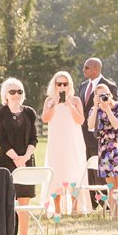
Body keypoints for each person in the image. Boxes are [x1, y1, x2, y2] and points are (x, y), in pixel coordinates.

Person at [42, 70, 91, 215]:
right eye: (59, 84)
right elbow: (45, 119)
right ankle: (57, 208)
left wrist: (70, 106)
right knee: (57, 171)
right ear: (55, 85)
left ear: (69, 85)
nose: (62, 86)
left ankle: (75, 207)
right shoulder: (49, 101)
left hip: (72, 140)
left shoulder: (75, 100)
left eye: (65, 83)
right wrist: (54, 105)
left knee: (74, 170)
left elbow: (81, 121)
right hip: (56, 141)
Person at [0, 78, 39, 235]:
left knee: (24, 198)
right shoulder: (0, 113)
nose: (16, 95)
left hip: (27, 161)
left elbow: (34, 138)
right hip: (7, 160)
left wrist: (25, 157)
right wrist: (16, 159)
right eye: (12, 91)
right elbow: (1, 140)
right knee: (8, 199)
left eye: (19, 91)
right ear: (5, 95)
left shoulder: (29, 112)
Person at [87, 76, 118, 219]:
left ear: (110, 94)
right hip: (105, 149)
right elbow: (89, 125)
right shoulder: (95, 110)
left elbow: (117, 125)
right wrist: (95, 107)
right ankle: (114, 215)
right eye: (100, 95)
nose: (103, 97)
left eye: (105, 94)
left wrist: (107, 109)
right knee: (111, 186)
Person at [78, 57, 118, 194]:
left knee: (102, 171)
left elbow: (112, 109)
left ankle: (105, 203)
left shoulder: (109, 86)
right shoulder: (83, 86)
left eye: (86, 67)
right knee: (88, 170)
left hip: (102, 137)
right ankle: (92, 201)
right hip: (84, 135)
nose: (83, 70)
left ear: (96, 68)